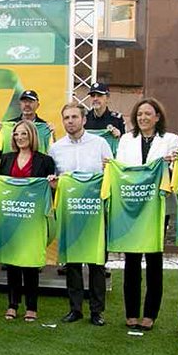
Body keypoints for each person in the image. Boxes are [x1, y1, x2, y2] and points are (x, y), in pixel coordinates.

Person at [114, 97, 178, 331]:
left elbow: (173, 171)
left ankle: (150, 314)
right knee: (131, 260)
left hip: (157, 208)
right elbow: (121, 169)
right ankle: (131, 313)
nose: (143, 117)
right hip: (132, 206)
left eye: (148, 114)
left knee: (153, 260)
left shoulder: (171, 140)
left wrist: (170, 164)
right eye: (139, 114)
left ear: (157, 117)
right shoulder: (126, 140)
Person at [49, 101, 113, 325]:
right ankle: (75, 309)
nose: (70, 121)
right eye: (66, 118)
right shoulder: (56, 148)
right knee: (73, 263)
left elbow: (111, 173)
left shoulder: (100, 144)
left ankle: (97, 311)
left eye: (74, 117)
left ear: (84, 119)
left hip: (94, 213)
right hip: (70, 212)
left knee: (97, 264)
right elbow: (54, 181)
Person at [0, 120, 56, 322]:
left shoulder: (45, 161)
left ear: (32, 136)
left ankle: (31, 307)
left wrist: (52, 185)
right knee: (12, 262)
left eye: (24, 134)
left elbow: (51, 191)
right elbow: (1, 186)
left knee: (30, 263)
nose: (19, 137)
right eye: (16, 134)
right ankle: (12, 304)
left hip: (33, 220)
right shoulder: (6, 158)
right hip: (11, 217)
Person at [0, 89, 53, 155]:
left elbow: (52, 153)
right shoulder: (7, 126)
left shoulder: (45, 127)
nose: (27, 104)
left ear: (38, 105)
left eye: (31, 101)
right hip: (13, 161)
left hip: (37, 161)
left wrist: (52, 135)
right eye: (24, 101)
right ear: (20, 104)